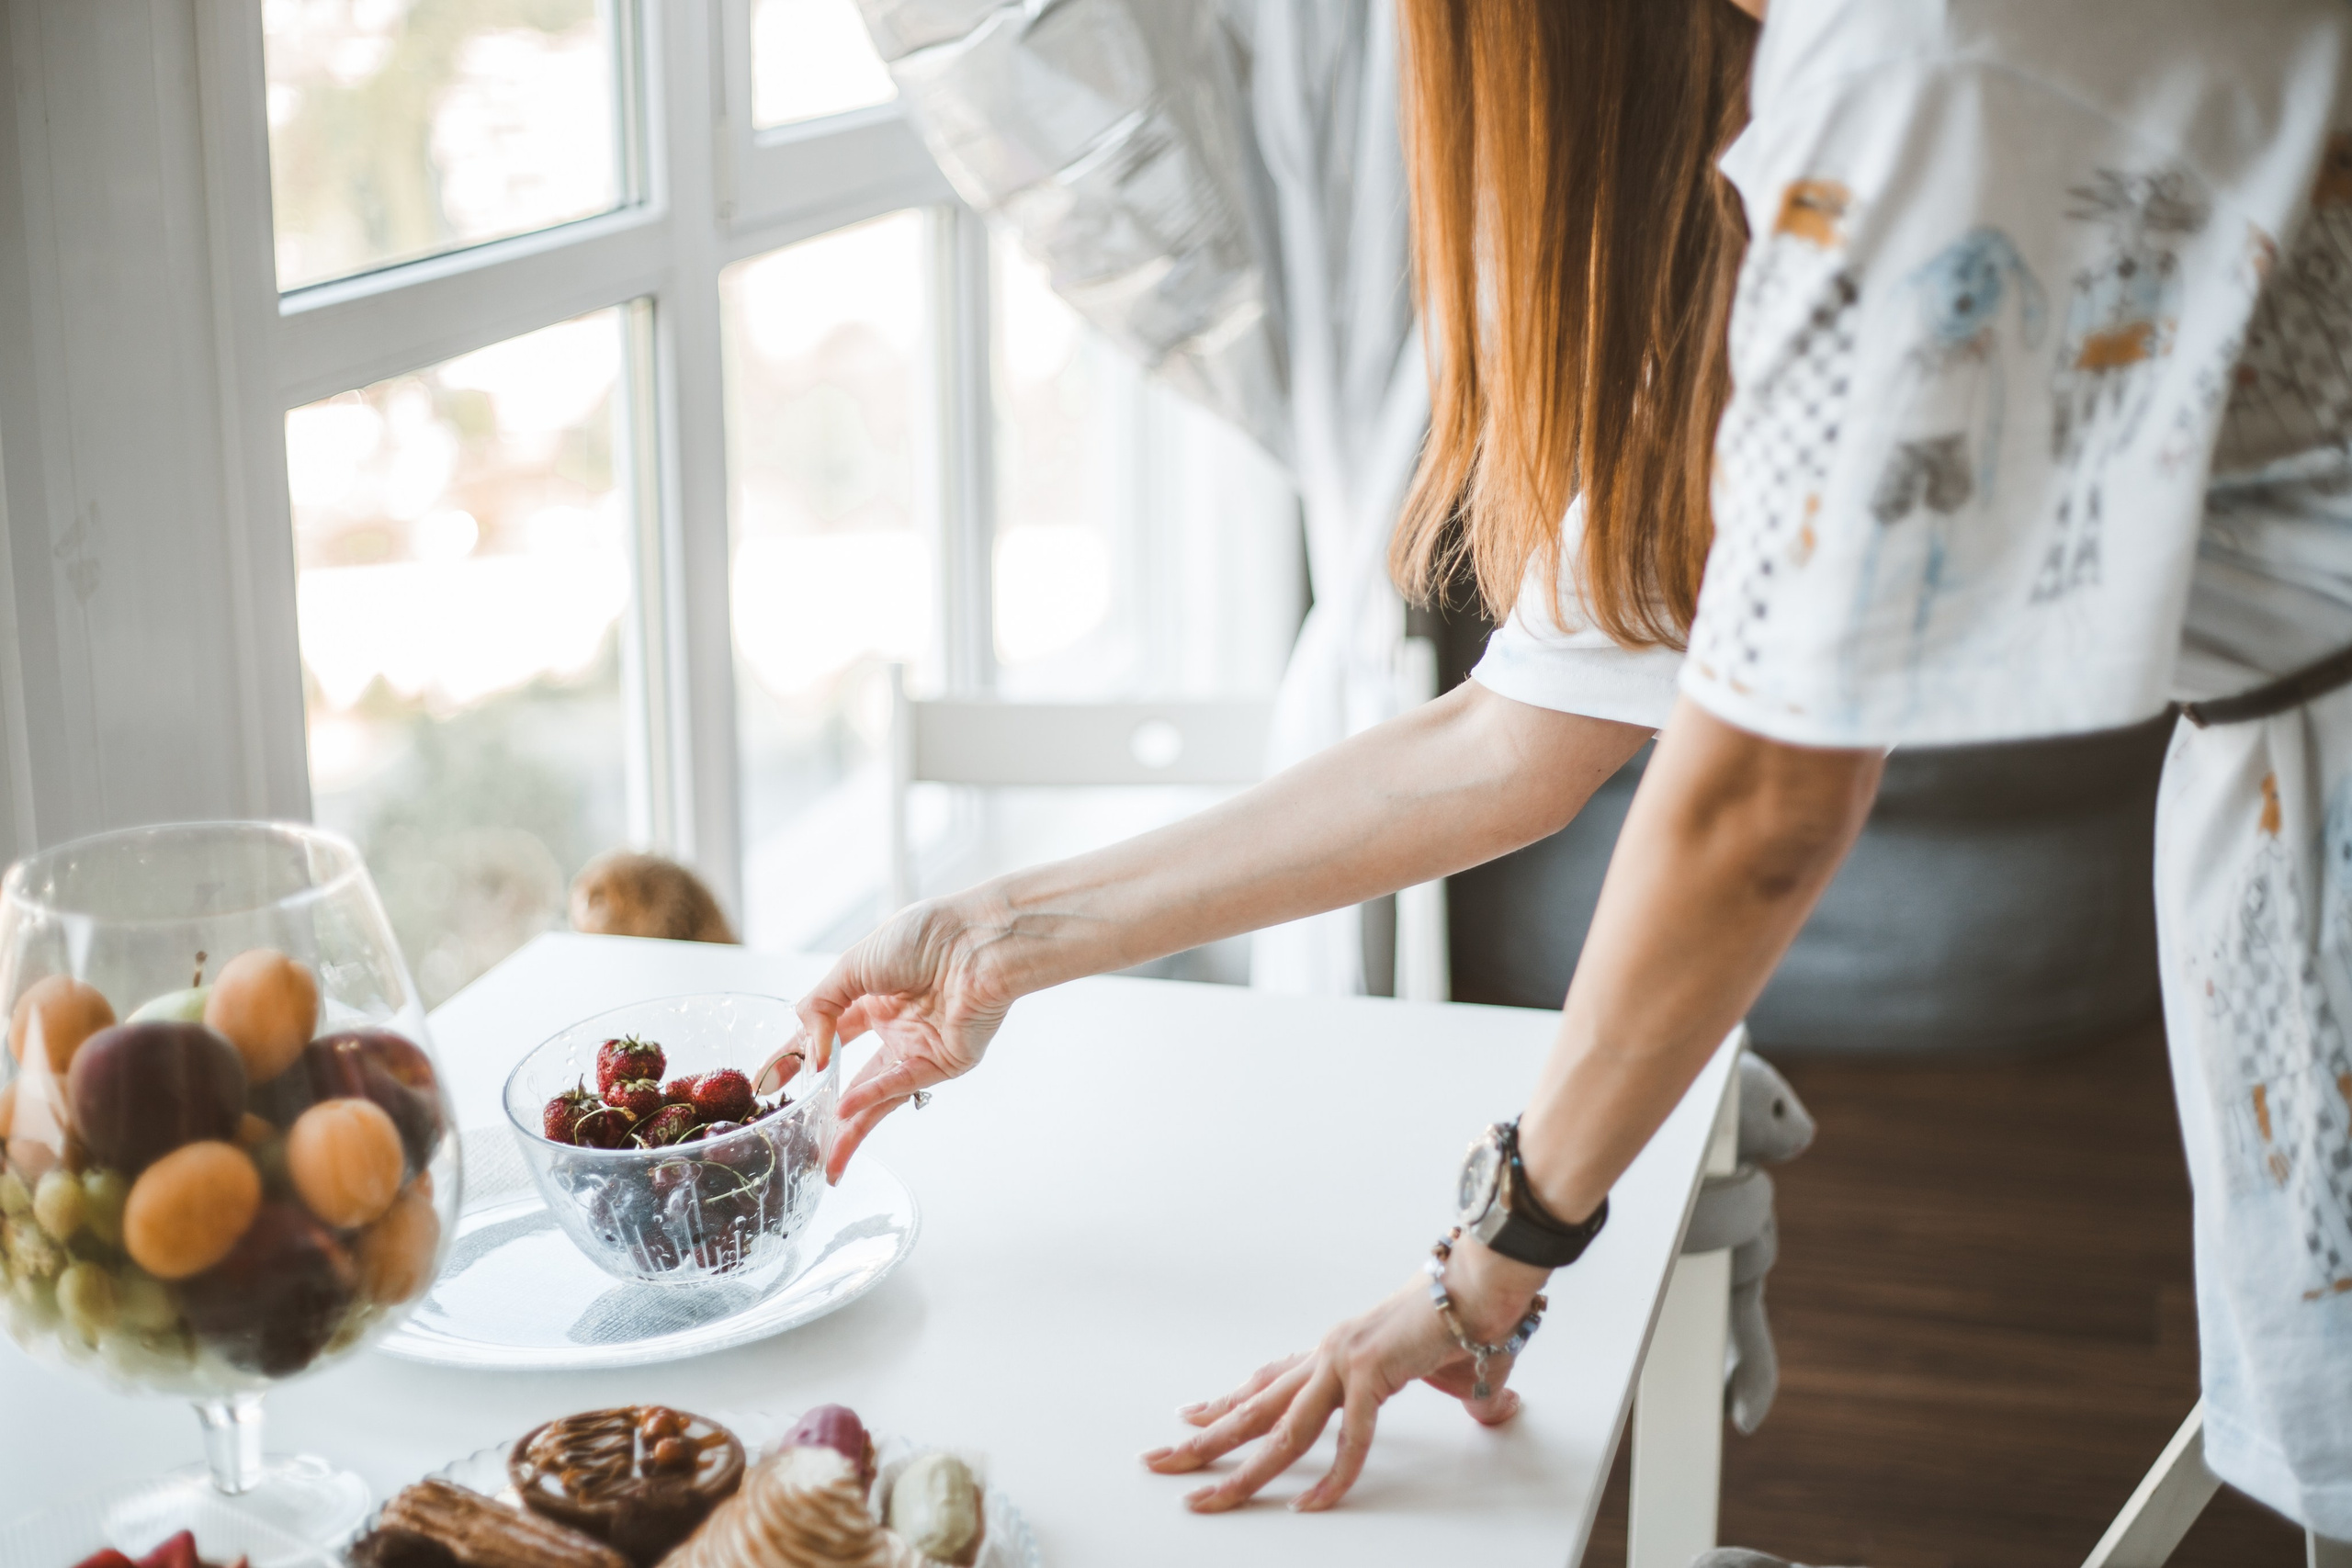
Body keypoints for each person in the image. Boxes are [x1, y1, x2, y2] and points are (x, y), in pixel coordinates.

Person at [762, 0, 2352, 1540]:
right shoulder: (1816, 98)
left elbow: (1762, 808)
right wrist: (1003, 936)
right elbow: (1514, 733)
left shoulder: (1912, 60)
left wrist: (1491, 1266)